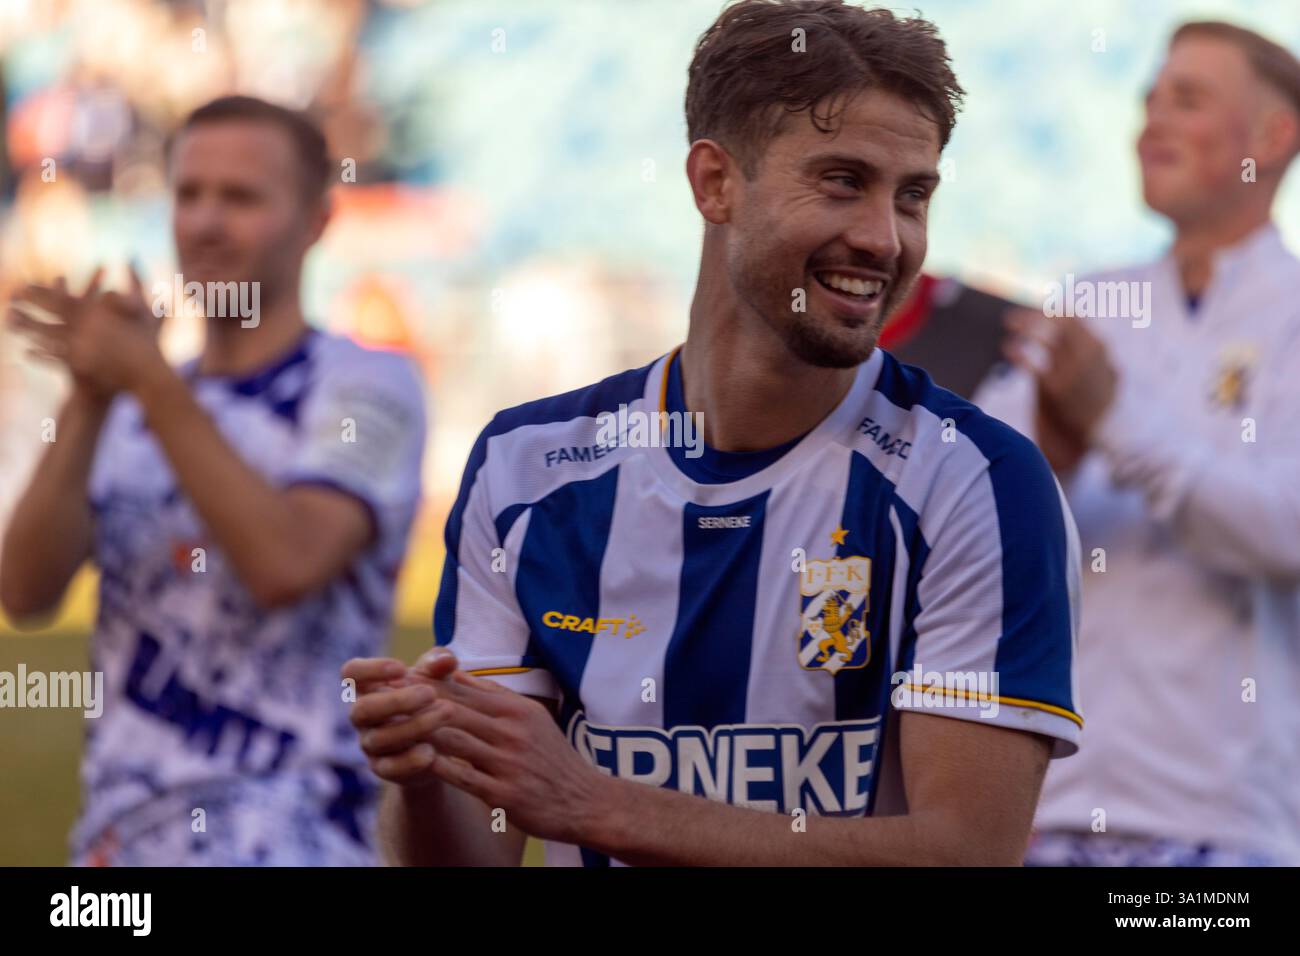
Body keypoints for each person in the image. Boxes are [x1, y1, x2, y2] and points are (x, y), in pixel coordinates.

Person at [347, 0, 1081, 867]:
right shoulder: (528, 469)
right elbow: (472, 855)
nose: (885, 239)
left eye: (912, 195)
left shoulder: (975, 482)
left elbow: (964, 855)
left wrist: (599, 805)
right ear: (714, 182)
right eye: (843, 181)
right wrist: (424, 769)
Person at [2, 95, 427, 865]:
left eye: (241, 198)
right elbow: (24, 590)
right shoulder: (134, 402)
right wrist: (92, 395)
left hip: (293, 840)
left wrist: (147, 380)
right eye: (189, 193)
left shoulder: (368, 385)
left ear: (316, 222)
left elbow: (286, 563)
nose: (204, 222)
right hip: (114, 855)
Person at [976, 21, 1300, 866]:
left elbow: (1285, 531)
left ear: (1273, 137)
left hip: (1225, 829)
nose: (1149, 123)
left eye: (1186, 99)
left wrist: (1111, 419)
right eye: (1147, 100)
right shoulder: (1088, 303)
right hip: (1042, 808)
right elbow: (977, 505)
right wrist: (1053, 437)